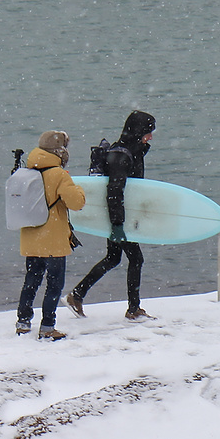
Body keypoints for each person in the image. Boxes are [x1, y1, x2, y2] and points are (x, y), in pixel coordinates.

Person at [67, 110, 155, 321]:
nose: (151, 137)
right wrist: (117, 225)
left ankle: (77, 295)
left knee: (113, 258)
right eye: (149, 132)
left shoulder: (132, 151)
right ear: (139, 131)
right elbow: (114, 192)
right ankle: (133, 309)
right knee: (136, 258)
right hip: (117, 216)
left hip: (118, 215)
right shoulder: (120, 156)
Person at [16, 130, 86, 340]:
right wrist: (80, 189)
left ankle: (23, 322)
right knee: (54, 285)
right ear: (59, 151)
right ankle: (47, 327)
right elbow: (76, 203)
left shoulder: (26, 172)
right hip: (53, 240)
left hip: (30, 237)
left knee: (31, 281)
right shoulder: (58, 175)